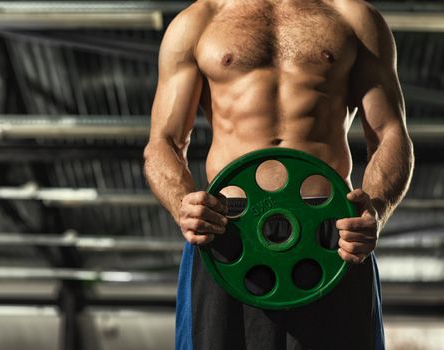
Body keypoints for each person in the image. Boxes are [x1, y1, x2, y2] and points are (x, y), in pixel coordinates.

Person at [143, 0, 414, 349]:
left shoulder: (353, 16)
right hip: (229, 232)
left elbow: (391, 133)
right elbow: (163, 142)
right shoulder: (198, 22)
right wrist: (184, 205)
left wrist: (373, 211)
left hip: (330, 236)